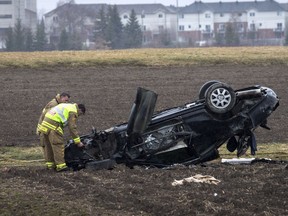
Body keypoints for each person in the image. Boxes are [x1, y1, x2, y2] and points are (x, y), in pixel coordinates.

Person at [38, 103, 86, 172]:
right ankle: (61, 167)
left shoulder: (66, 105)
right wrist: (78, 142)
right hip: (53, 127)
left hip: (44, 125)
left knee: (49, 146)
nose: (78, 115)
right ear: (80, 110)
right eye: (80, 114)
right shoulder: (73, 111)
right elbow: (72, 127)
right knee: (58, 146)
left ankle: (50, 166)